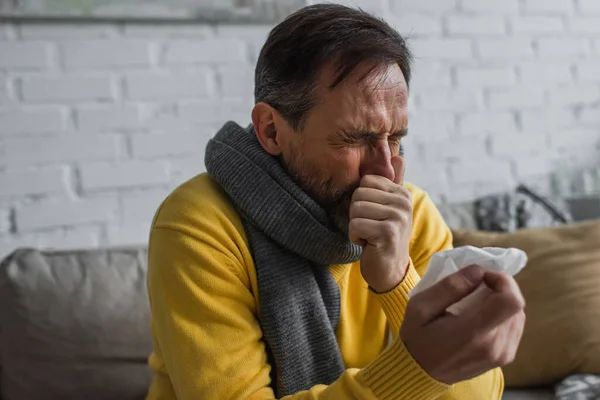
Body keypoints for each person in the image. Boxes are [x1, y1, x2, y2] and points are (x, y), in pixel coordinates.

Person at [145, 4, 526, 400]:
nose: (385, 171)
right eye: (354, 139)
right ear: (272, 130)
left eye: (395, 138)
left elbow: (479, 394)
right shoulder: (197, 227)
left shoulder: (413, 216)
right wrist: (416, 369)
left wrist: (397, 281)